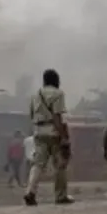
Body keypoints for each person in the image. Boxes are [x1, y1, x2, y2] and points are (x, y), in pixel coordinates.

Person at [24, 68, 72, 205]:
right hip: (53, 131)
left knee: (37, 164)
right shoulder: (58, 94)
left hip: (38, 131)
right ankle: (61, 196)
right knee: (60, 164)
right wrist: (64, 136)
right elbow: (58, 116)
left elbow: (32, 115)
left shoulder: (36, 94)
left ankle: (30, 192)